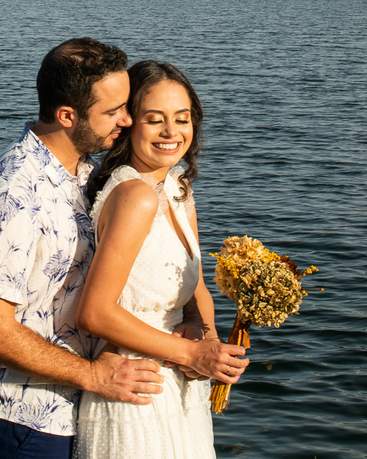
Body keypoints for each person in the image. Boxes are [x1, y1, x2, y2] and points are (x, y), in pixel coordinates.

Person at [0, 38, 165, 459]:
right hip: (21, 418)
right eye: (112, 111)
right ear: (67, 115)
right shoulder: (14, 194)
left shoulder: (86, 171)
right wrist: (93, 375)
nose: (127, 119)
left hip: (78, 412)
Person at [74, 61, 249, 459]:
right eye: (155, 120)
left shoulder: (177, 187)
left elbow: (195, 285)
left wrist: (208, 341)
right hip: (137, 386)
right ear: (128, 124)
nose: (172, 132)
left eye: (182, 119)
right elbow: (94, 313)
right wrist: (191, 354)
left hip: (181, 384)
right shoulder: (135, 196)